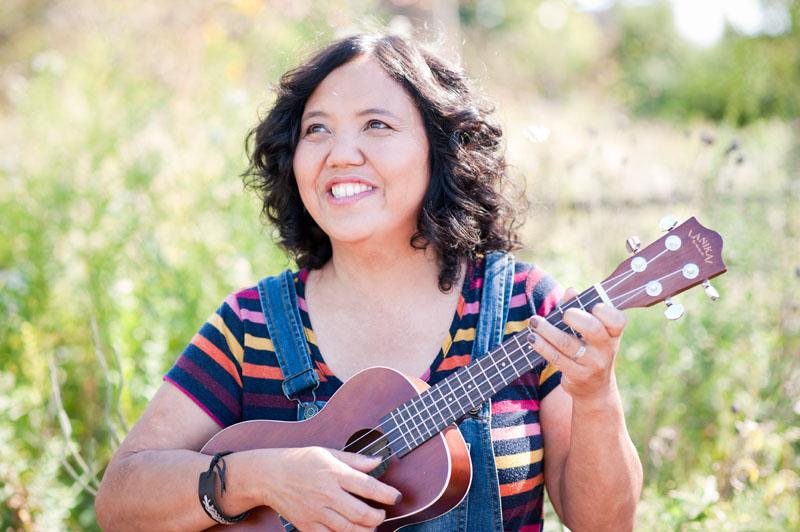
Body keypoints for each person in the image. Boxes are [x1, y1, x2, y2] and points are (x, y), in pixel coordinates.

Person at [95, 33, 642, 531]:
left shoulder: (528, 307)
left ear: (441, 150)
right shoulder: (251, 324)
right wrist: (258, 478)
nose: (340, 154)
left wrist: (595, 397)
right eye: (317, 130)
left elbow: (605, 524)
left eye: (376, 125)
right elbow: (121, 501)